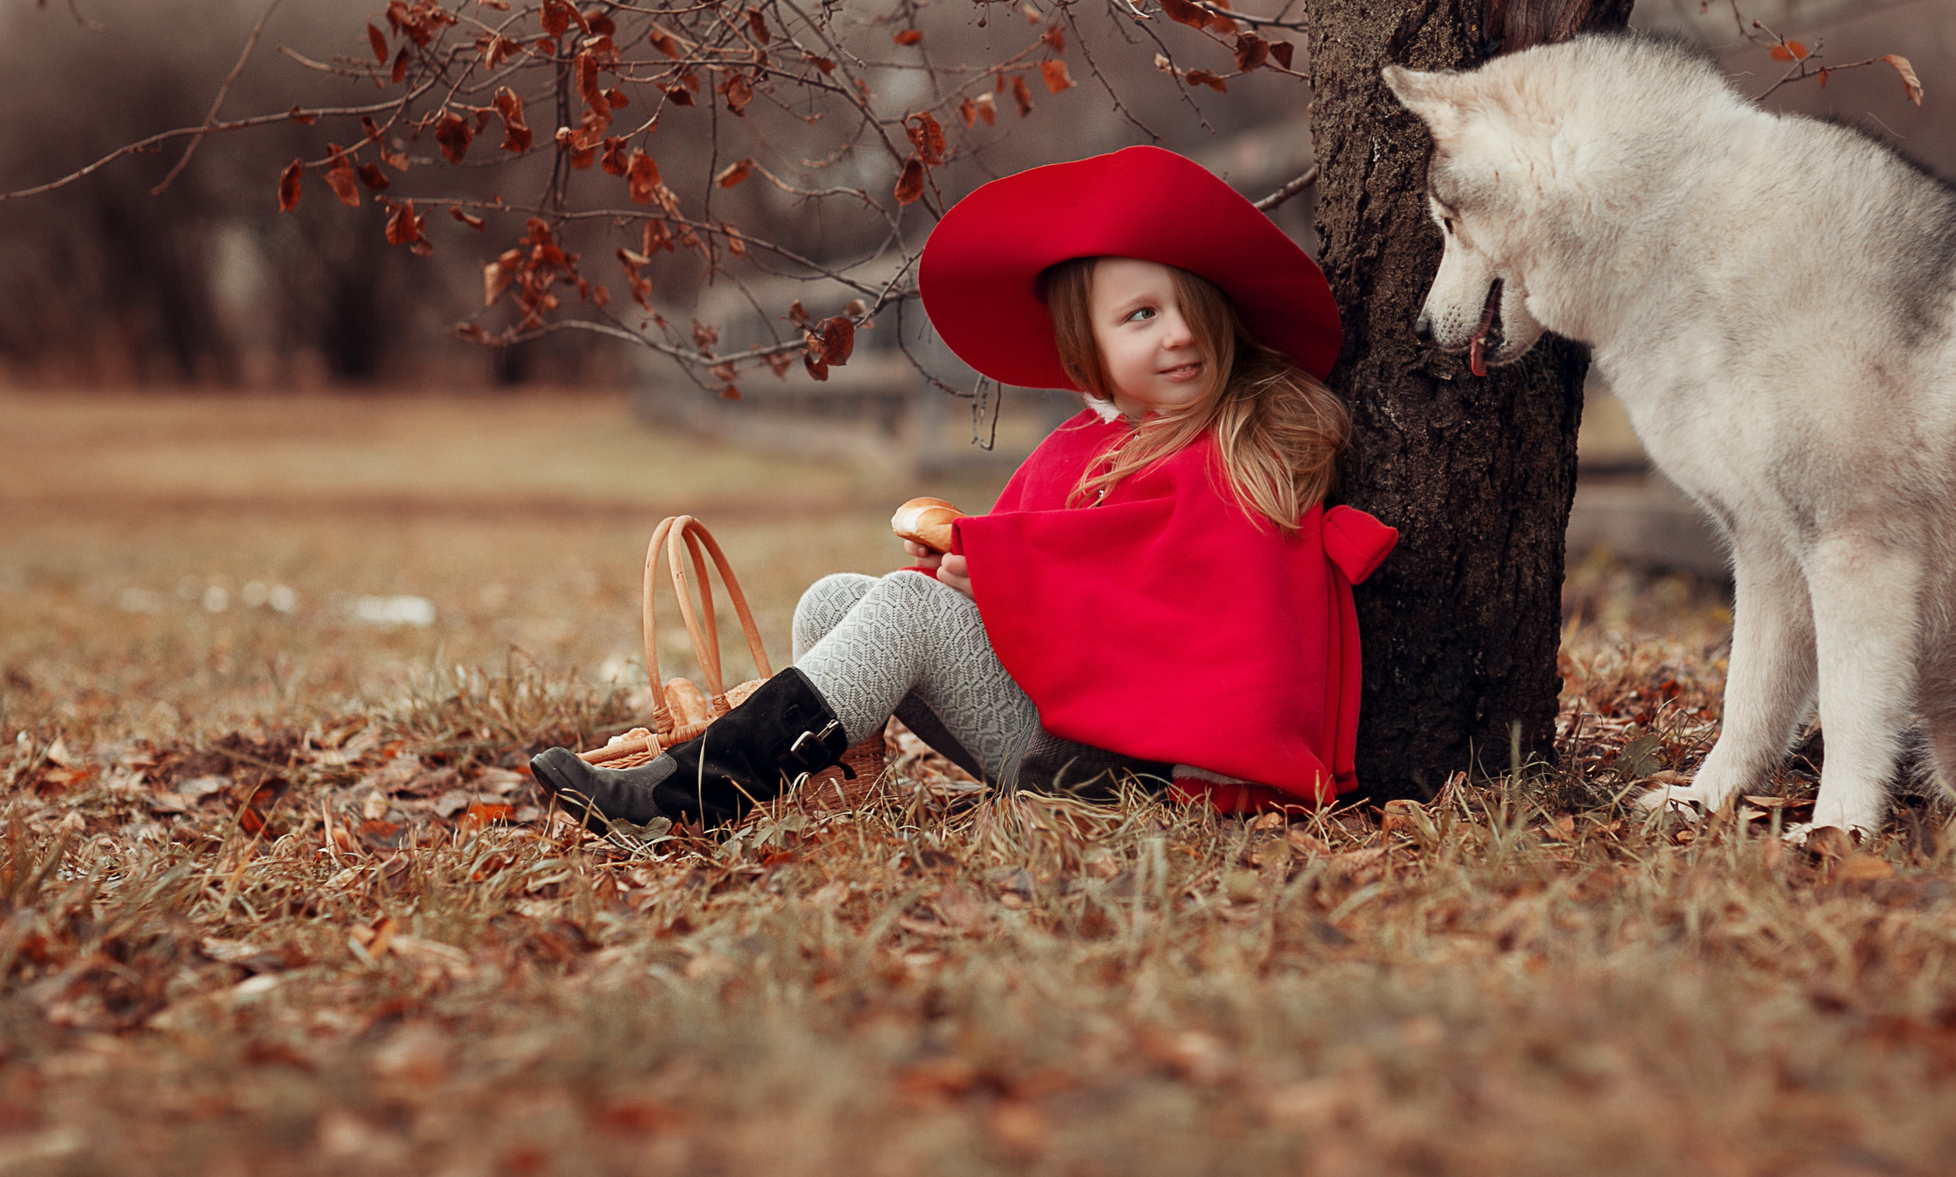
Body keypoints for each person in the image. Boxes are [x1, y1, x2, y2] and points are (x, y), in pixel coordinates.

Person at [530, 145, 1398, 829]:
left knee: (906, 612)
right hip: (1066, 728)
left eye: (1191, 307)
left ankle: (698, 790)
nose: (1177, 335)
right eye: (1140, 315)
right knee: (839, 597)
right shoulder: (1083, 449)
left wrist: (1008, 575)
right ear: (1085, 349)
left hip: (1152, 770)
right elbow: (1044, 557)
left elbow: (1170, 598)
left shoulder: (1241, 448)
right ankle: (825, 781)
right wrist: (975, 570)